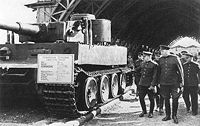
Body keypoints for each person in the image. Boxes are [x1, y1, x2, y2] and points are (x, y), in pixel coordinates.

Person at [158, 45, 184, 124]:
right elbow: (158, 72)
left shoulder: (175, 58)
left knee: (175, 99)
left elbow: (180, 71)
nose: (161, 52)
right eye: (161, 51)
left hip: (174, 83)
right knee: (166, 99)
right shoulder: (160, 59)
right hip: (164, 83)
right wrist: (158, 82)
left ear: (167, 51)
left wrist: (181, 83)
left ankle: (174, 116)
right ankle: (168, 115)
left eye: (163, 51)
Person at [138, 51, 158, 118]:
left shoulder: (154, 64)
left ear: (149, 57)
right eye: (143, 56)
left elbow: (155, 76)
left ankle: (151, 112)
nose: (143, 58)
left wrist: (152, 85)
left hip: (149, 85)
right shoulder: (142, 63)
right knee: (141, 98)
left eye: (145, 56)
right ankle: (144, 110)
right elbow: (140, 72)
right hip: (142, 84)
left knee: (151, 99)